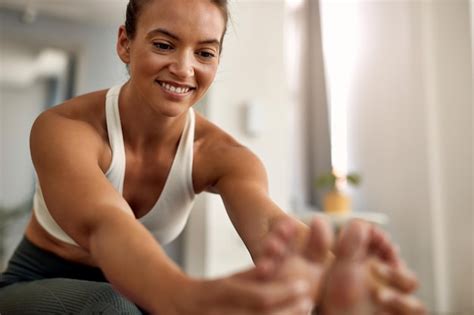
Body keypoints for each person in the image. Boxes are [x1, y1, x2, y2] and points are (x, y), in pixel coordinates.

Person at [0, 0, 425, 314]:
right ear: (125, 43)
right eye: (165, 44)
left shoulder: (224, 156)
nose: (184, 68)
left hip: (138, 290)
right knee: (111, 307)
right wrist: (185, 295)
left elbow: (269, 225)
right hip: (36, 280)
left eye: (205, 52)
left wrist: (327, 277)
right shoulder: (65, 128)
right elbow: (104, 225)